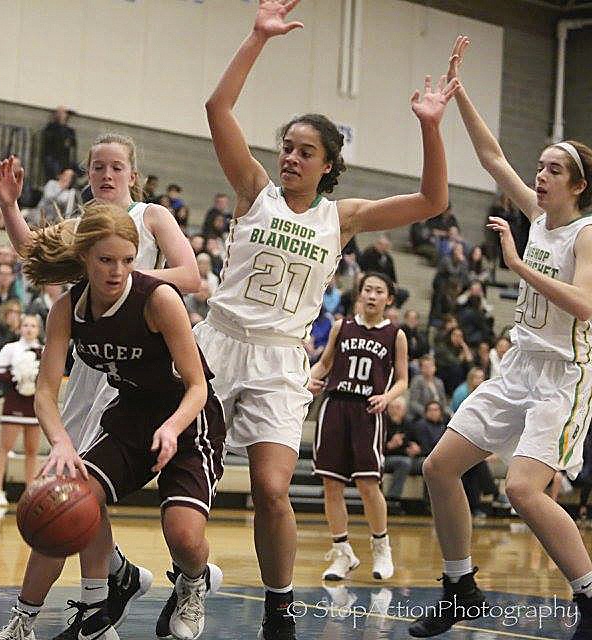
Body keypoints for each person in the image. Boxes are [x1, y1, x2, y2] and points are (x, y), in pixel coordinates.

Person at [198, 3, 456, 637]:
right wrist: (257, 38)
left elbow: (433, 199)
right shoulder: (252, 188)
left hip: (281, 359)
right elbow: (217, 110)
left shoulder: (344, 217)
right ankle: (184, 580)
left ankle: (280, 604)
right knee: (188, 482)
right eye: (287, 146)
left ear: (326, 165)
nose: (290, 157)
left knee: (271, 487)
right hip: (216, 345)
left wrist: (429, 125)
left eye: (304, 151)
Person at [409, 36, 592, 638]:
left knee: (523, 490)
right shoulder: (539, 218)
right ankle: (460, 586)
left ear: (579, 184)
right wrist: (458, 94)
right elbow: (491, 156)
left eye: (553, 170)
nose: (539, 177)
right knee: (440, 467)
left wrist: (516, 266)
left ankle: (588, 597)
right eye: (539, 168)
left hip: (563, 376)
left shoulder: (585, 235)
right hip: (519, 366)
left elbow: (585, 306)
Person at [0, 129, 199, 639]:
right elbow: (33, 255)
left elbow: (191, 276)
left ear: (134, 174)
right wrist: (11, 207)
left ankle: (103, 599)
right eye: (97, 167)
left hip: (142, 360)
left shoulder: (151, 217)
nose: (107, 175)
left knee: (80, 492)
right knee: (75, 495)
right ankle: (110, 587)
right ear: (87, 174)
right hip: (93, 361)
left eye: (116, 167)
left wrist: (130, 284)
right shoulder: (81, 226)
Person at [308, 273, 408, 582]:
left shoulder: (395, 335)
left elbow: (403, 378)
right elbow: (325, 363)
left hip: (368, 410)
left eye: (379, 291)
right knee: (331, 486)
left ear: (389, 299)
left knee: (367, 485)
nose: (372, 296)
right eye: (368, 290)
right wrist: (309, 377)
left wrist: (388, 396)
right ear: (359, 294)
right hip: (335, 406)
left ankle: (381, 547)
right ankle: (342, 553)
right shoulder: (342, 327)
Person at [0, 314, 42, 506]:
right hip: (14, 402)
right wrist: (17, 376)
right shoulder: (10, 349)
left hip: (34, 405)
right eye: (25, 325)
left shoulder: (43, 350)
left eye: (33, 326)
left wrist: (33, 378)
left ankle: (30, 491)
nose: (29, 329)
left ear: (38, 330)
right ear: (19, 328)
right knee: (4, 447)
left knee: (32, 450)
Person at [41, 106, 78, 180]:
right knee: (54, 167)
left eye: (65, 114)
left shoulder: (69, 130)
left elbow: (72, 143)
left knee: (75, 167)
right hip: (53, 157)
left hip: (65, 158)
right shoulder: (51, 128)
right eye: (62, 114)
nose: (64, 116)